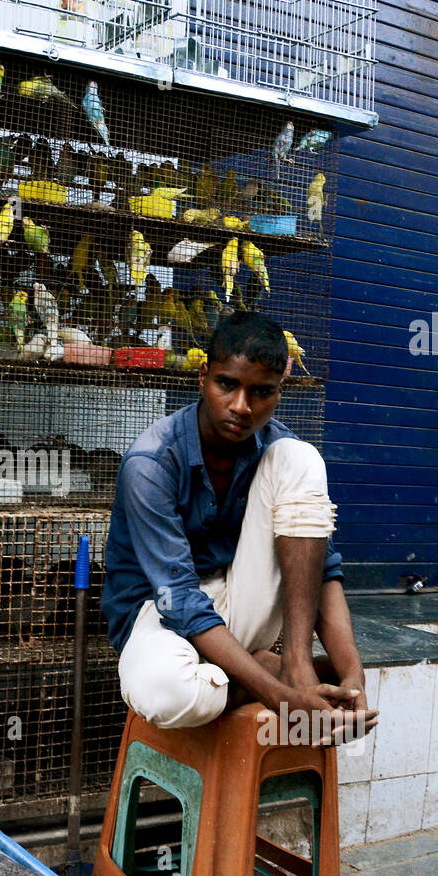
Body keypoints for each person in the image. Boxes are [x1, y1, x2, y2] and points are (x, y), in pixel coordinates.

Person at [103, 311, 377, 745]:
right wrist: (279, 696)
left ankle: (296, 663)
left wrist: (353, 676)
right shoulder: (151, 462)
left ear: (279, 393)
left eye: (261, 392)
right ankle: (269, 672)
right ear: (202, 377)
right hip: (159, 613)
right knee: (164, 693)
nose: (241, 406)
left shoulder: (276, 449)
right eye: (227, 384)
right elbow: (180, 601)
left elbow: (322, 568)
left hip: (241, 606)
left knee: (300, 456)